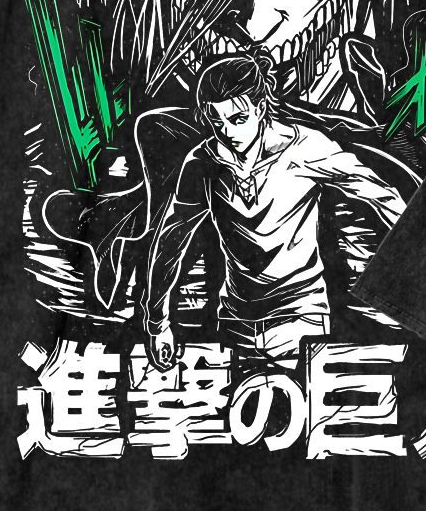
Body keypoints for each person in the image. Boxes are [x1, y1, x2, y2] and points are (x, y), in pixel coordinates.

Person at [143, 51, 406, 370]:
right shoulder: (202, 163)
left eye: (238, 119)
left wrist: (423, 263)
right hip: (236, 319)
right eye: (216, 122)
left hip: (301, 316)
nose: (227, 133)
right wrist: (157, 322)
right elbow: (171, 241)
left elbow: (382, 195)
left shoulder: (306, 148)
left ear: (260, 106)